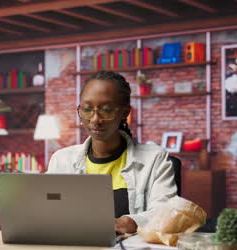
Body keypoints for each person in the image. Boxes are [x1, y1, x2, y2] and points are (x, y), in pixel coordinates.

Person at [47, 70, 177, 234]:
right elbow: (49, 209)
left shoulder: (154, 159)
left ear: (124, 112)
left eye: (106, 110)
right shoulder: (61, 160)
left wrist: (131, 222)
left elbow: (167, 212)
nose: (95, 120)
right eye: (87, 110)